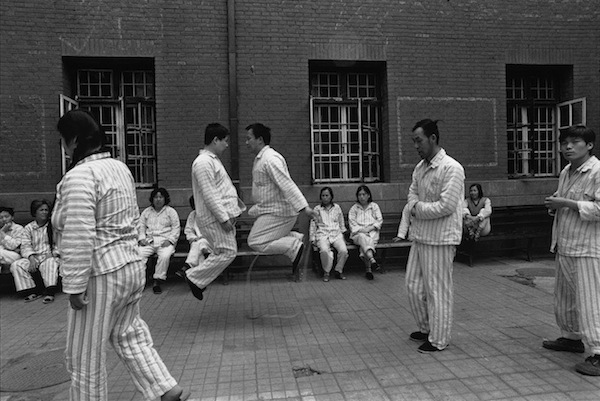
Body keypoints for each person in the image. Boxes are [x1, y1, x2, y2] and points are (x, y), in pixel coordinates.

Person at [53, 110, 190, 401]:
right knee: (128, 334)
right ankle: (165, 389)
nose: (64, 149)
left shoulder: (79, 176)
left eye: (64, 142)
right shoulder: (119, 168)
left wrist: (74, 286)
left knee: (84, 357)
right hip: (130, 265)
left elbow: (78, 233)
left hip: (100, 274)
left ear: (75, 140)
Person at [542, 124, 600, 376]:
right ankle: (571, 337)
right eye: (563, 142)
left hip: (588, 247)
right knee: (565, 298)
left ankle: (598, 352)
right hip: (565, 243)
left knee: (590, 301)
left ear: (589, 145)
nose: (567, 147)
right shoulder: (567, 171)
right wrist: (556, 205)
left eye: (574, 142)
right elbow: (565, 200)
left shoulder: (597, 171)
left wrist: (566, 203)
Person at [404, 119, 465, 353]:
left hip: (441, 238)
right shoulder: (419, 169)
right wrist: (415, 205)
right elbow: (411, 194)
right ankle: (427, 327)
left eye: (418, 141)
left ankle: (439, 338)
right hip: (420, 236)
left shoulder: (452, 168)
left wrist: (417, 208)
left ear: (433, 139)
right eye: (414, 142)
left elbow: (446, 206)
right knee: (413, 286)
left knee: (437, 290)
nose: (416, 146)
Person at [245, 123, 317, 278]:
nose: (246, 142)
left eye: (249, 138)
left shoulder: (270, 159)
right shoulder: (260, 159)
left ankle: (293, 245)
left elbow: (287, 184)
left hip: (280, 212)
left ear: (260, 140)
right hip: (271, 211)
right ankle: (295, 238)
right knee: (259, 239)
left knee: (255, 241)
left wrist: (304, 208)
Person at [185, 123, 246, 301]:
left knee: (222, 252)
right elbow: (209, 193)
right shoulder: (203, 163)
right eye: (224, 141)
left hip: (219, 217)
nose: (226, 145)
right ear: (215, 140)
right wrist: (223, 218)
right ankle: (194, 277)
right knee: (228, 252)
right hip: (214, 219)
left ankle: (198, 280)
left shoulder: (211, 160)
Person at [10, 199, 60, 304]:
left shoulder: (52, 226)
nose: (44, 212)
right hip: (34, 256)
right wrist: (31, 258)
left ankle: (49, 292)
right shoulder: (29, 228)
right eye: (41, 210)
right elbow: (25, 245)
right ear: (35, 212)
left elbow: (60, 243)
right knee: (17, 265)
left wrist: (53, 253)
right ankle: (32, 290)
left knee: (50, 263)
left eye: (46, 210)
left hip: (49, 255)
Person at [137, 187, 181, 294]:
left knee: (165, 256)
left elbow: (176, 228)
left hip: (165, 241)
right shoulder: (146, 212)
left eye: (160, 197)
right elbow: (141, 227)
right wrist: (141, 239)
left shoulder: (171, 212)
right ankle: (140, 282)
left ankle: (157, 281)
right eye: (156, 197)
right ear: (152, 199)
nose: (158, 199)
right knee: (139, 254)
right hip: (149, 241)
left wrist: (170, 240)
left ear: (165, 199)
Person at [309, 187, 348, 282]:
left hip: (336, 234)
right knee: (324, 250)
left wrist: (344, 234)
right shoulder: (317, 209)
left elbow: (341, 222)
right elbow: (313, 224)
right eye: (323, 196)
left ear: (331, 197)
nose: (325, 198)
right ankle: (326, 272)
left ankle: (338, 270)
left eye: (327, 195)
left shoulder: (337, 208)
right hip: (322, 235)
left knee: (343, 251)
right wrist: (312, 238)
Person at [348, 185, 383, 280]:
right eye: (359, 194)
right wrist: (362, 230)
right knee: (363, 237)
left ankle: (369, 269)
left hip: (372, 232)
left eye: (364, 194)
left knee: (366, 242)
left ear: (368, 195)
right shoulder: (354, 208)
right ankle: (372, 260)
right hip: (358, 234)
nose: (361, 197)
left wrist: (369, 229)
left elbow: (379, 220)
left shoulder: (374, 206)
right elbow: (352, 224)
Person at [175, 195, 211, 279]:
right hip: (198, 243)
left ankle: (187, 267)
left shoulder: (210, 214)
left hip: (211, 243)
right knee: (199, 250)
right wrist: (194, 238)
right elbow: (188, 230)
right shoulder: (193, 215)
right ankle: (199, 279)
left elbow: (214, 232)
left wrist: (202, 237)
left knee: (198, 244)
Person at [0, 206, 24, 271]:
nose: (4, 219)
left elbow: (13, 246)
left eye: (6, 216)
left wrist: (2, 233)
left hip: (15, 256)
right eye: (1, 218)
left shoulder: (19, 229)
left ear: (12, 217)